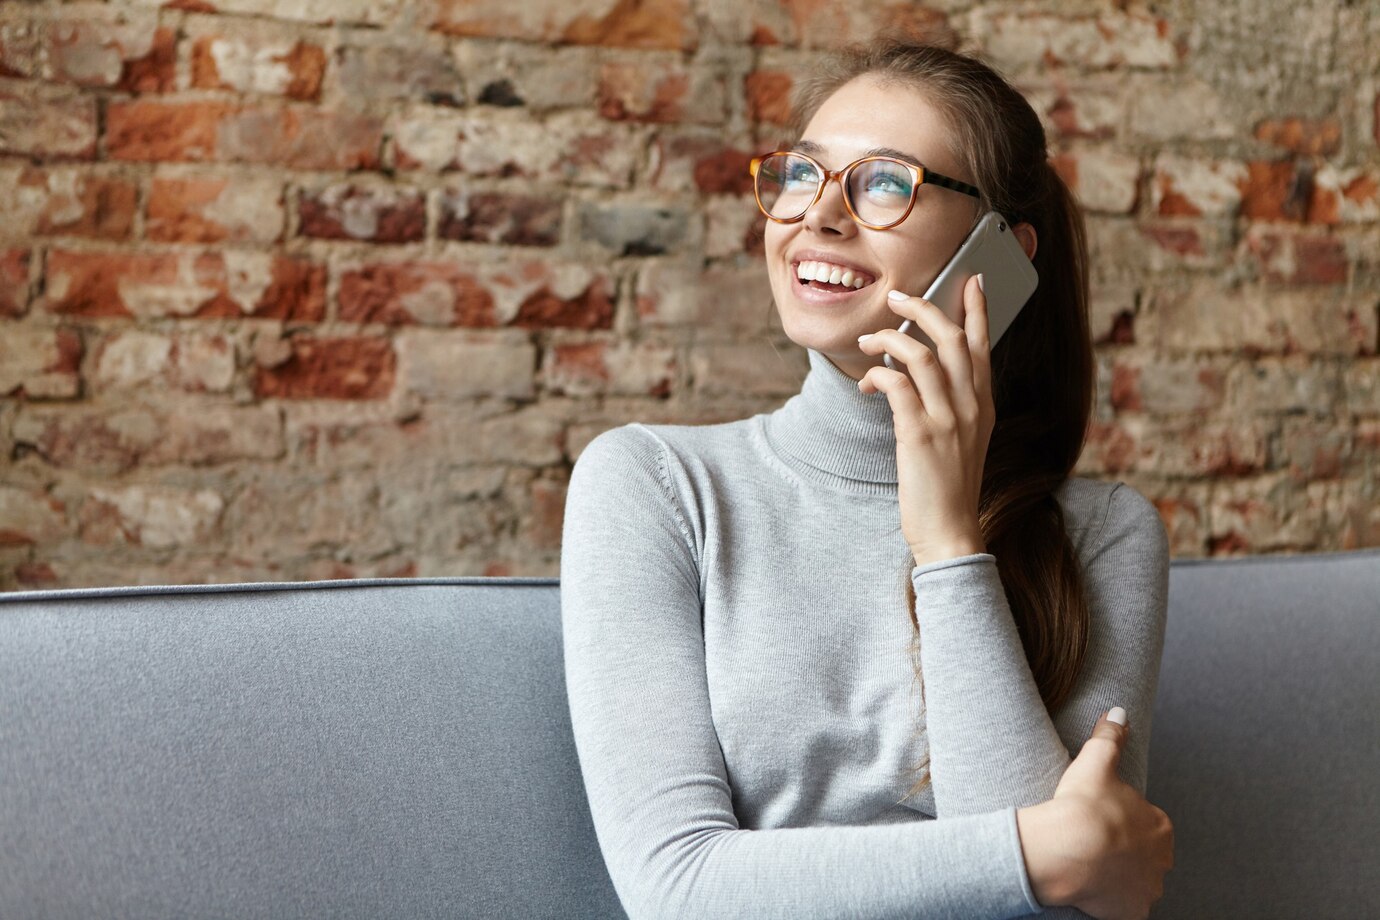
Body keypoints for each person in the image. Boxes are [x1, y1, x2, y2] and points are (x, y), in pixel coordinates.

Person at [560, 35, 1174, 920]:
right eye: (802, 175)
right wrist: (1040, 850)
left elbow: (1065, 914)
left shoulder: (1106, 534)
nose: (818, 215)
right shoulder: (656, 486)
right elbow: (678, 886)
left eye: (886, 182)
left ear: (1003, 253)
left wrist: (951, 543)